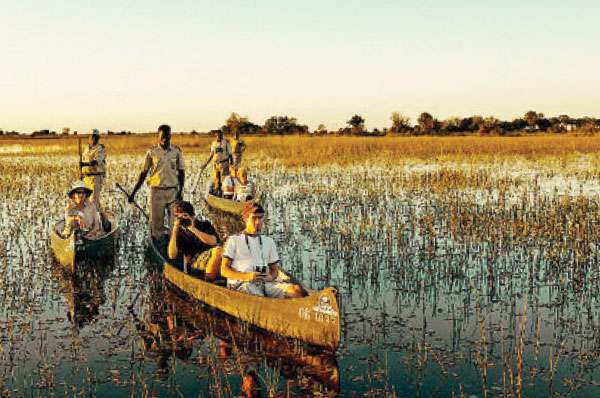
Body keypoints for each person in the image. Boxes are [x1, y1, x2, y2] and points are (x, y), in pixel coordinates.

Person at [220, 204, 305, 298]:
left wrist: (270, 277)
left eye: (261, 218)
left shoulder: (269, 241)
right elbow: (224, 270)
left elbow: (274, 271)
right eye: (254, 218)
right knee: (258, 297)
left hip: (265, 282)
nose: (258, 222)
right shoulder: (234, 240)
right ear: (245, 219)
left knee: (296, 290)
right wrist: (246, 276)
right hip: (243, 284)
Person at [128, 125, 185, 238]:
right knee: (156, 226)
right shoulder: (152, 152)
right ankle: (158, 245)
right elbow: (143, 173)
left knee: (175, 225)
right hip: (157, 192)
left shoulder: (176, 151)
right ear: (158, 137)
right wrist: (134, 193)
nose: (165, 139)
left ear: (170, 136)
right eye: (162, 137)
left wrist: (180, 191)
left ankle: (172, 248)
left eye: (167, 136)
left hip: (173, 191)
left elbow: (181, 172)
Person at [167, 200, 222, 281]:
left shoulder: (204, 225)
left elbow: (213, 241)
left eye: (184, 216)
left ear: (192, 216)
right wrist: (175, 230)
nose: (182, 219)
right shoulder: (179, 233)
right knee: (218, 251)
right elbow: (172, 255)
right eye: (178, 217)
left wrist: (193, 229)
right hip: (195, 264)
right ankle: (208, 282)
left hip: (211, 259)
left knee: (222, 250)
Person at [80, 129, 106, 208]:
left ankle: (97, 219)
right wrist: (81, 173)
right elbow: (83, 159)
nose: (93, 138)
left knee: (94, 202)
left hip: (95, 177)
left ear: (98, 138)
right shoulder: (86, 148)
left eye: (95, 137)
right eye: (92, 136)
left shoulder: (100, 149)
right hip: (86, 177)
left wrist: (84, 164)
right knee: (85, 201)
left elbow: (96, 161)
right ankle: (104, 219)